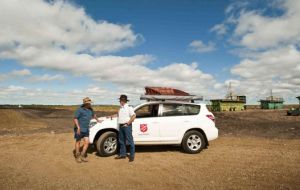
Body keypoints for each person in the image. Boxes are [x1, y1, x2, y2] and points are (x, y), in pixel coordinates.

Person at [74, 97, 101, 163]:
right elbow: (75, 118)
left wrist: (98, 120)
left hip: (86, 129)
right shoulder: (79, 110)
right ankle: (77, 156)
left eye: (90, 103)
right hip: (79, 129)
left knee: (87, 142)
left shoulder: (90, 109)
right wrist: (78, 127)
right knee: (78, 142)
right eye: (89, 103)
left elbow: (94, 115)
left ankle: (83, 155)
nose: (90, 104)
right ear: (86, 104)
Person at [115, 94, 136, 162]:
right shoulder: (120, 108)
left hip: (127, 126)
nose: (120, 101)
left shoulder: (129, 107)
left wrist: (128, 123)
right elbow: (118, 115)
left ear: (124, 100)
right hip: (121, 126)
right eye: (120, 100)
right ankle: (122, 155)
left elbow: (133, 116)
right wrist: (110, 116)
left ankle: (132, 156)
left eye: (121, 100)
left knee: (130, 141)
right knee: (121, 141)